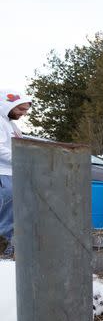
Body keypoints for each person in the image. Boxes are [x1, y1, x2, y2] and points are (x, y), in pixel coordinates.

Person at [0, 89, 33, 254]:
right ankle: (8, 247)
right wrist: (21, 160)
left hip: (12, 173)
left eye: (26, 110)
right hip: (3, 174)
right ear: (7, 105)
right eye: (21, 109)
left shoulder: (10, 124)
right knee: (7, 213)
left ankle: (12, 245)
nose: (24, 113)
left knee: (16, 212)